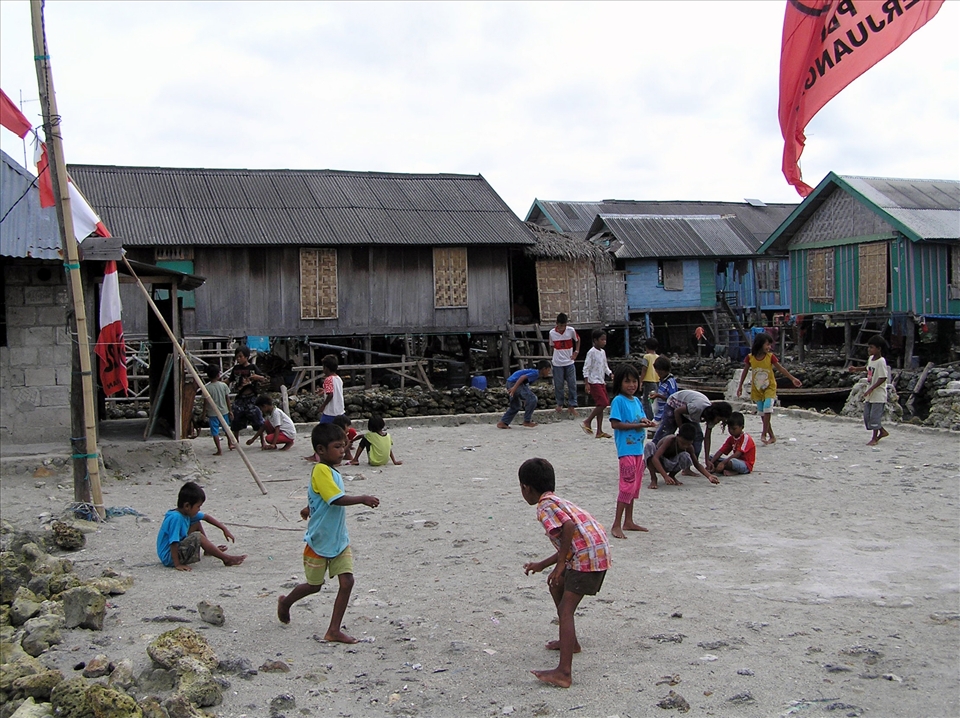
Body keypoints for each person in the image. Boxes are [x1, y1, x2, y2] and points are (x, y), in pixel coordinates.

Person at [277, 423, 380, 641]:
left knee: (347, 582)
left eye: (343, 446)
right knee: (313, 586)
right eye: (337, 447)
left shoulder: (330, 471)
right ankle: (286, 602)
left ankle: (333, 630)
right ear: (321, 450)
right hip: (319, 540)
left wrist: (309, 508)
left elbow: (319, 495)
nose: (342, 451)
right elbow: (334, 499)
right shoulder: (321, 470)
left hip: (339, 539)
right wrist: (362, 498)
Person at [519, 457, 610, 688]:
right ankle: (571, 642)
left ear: (526, 488)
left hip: (586, 558)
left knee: (566, 609)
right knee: (556, 585)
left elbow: (568, 528)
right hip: (594, 551)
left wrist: (560, 566)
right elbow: (570, 541)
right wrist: (543, 564)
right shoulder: (556, 500)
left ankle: (564, 672)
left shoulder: (544, 508)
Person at [608, 363, 656, 539]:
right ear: (619, 383)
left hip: (637, 450)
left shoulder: (636, 401)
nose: (632, 385)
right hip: (626, 450)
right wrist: (637, 425)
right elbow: (615, 424)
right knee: (626, 486)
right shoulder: (618, 401)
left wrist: (645, 421)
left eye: (634, 381)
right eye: (627, 381)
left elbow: (641, 416)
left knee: (634, 486)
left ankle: (628, 521)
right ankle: (616, 524)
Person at [156, 481, 246, 570]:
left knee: (196, 523)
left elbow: (206, 517)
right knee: (198, 536)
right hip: (169, 557)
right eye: (198, 506)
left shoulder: (185, 513)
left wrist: (224, 529)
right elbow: (173, 542)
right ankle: (226, 559)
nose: (199, 509)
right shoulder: (176, 518)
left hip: (175, 551)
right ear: (187, 506)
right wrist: (177, 564)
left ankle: (208, 550)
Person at [736, 331, 802, 445]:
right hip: (757, 389)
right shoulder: (750, 358)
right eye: (767, 344)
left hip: (769, 387)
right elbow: (745, 371)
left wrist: (792, 379)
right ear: (760, 344)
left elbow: (781, 369)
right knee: (762, 413)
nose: (769, 347)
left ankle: (764, 433)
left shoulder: (770, 357)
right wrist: (740, 386)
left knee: (767, 407)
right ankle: (772, 436)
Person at [652, 389, 732, 465]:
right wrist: (681, 429)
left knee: (697, 436)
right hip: (674, 405)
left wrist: (707, 460)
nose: (718, 422)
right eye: (718, 419)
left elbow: (707, 438)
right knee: (667, 432)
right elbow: (677, 411)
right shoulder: (697, 407)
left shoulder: (712, 418)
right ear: (715, 413)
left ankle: (688, 465)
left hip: (688, 413)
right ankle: (652, 455)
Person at [644, 423, 719, 488]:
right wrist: (665, 476)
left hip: (671, 465)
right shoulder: (670, 440)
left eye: (688, 444)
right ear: (677, 436)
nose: (685, 446)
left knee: (685, 456)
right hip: (657, 464)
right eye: (682, 443)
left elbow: (697, 464)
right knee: (649, 445)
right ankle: (654, 479)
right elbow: (655, 458)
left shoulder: (689, 448)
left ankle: (672, 476)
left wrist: (709, 476)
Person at [849, 334, 890, 446]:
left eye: (871, 347)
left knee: (874, 417)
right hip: (870, 393)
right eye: (869, 347)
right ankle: (882, 431)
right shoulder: (871, 359)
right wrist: (856, 369)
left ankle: (874, 438)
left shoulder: (881, 361)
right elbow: (868, 368)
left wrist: (871, 389)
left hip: (878, 394)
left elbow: (883, 377)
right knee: (867, 417)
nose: (869, 349)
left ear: (879, 349)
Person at [497, 360, 552, 429]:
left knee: (516, 406)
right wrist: (514, 388)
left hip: (510, 382)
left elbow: (525, 384)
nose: (549, 372)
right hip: (514, 383)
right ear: (544, 369)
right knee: (533, 399)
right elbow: (522, 377)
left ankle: (503, 422)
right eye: (548, 370)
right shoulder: (536, 373)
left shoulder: (534, 373)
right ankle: (527, 421)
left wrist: (526, 398)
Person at [228, 346, 267, 441]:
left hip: (252, 398)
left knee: (257, 419)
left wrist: (257, 377)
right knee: (236, 419)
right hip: (240, 398)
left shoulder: (252, 367)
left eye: (240, 356)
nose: (238, 359)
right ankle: (236, 441)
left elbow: (264, 378)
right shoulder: (236, 369)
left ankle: (262, 441)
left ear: (246, 357)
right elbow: (229, 380)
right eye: (237, 357)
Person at [581, 329, 614, 438]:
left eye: (605, 340)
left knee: (601, 404)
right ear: (595, 340)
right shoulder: (591, 352)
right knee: (603, 403)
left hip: (601, 381)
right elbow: (586, 368)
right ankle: (588, 420)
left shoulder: (602, 352)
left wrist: (610, 374)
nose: (604, 342)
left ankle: (599, 431)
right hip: (593, 381)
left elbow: (605, 366)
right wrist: (587, 383)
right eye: (602, 340)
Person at [550, 313, 580, 417]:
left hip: (569, 361)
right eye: (560, 326)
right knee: (559, 384)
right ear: (557, 324)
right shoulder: (552, 333)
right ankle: (560, 403)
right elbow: (551, 345)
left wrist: (576, 352)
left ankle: (572, 404)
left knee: (572, 383)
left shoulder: (571, 330)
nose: (562, 328)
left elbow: (578, 340)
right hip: (557, 362)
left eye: (564, 325)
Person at [203, 365, 232, 455]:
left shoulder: (207, 388)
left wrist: (203, 414)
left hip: (212, 413)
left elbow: (205, 403)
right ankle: (230, 444)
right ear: (218, 375)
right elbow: (227, 399)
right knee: (227, 429)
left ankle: (219, 450)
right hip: (224, 411)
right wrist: (230, 411)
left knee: (215, 432)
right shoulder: (223, 385)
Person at [649, 356, 678, 425]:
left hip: (666, 413)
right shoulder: (661, 381)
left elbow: (672, 399)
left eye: (660, 372)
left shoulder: (670, 382)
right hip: (659, 412)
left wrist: (658, 396)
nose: (658, 374)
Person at [318, 354, 345, 424]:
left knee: (322, 428)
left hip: (330, 412)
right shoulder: (338, 379)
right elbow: (335, 391)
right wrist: (324, 391)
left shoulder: (328, 380)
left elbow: (330, 394)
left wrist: (323, 406)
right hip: (340, 411)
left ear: (326, 368)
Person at [639, 337, 660, 420]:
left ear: (646, 347)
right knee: (654, 400)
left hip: (648, 381)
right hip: (657, 380)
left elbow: (644, 369)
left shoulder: (646, 357)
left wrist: (640, 381)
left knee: (646, 401)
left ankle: (649, 418)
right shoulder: (658, 357)